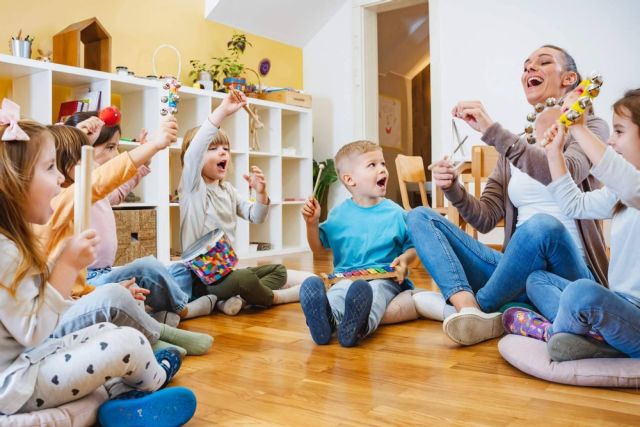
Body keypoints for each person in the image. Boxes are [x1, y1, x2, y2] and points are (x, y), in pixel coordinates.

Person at [0, 104, 195, 425]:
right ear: (15, 183)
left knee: (106, 332)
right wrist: (63, 269)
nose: (61, 177)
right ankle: (150, 382)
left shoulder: (14, 242)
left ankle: (116, 399)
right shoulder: (7, 250)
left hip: (27, 366)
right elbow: (33, 332)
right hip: (16, 383)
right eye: (50, 168)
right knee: (126, 343)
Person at [406, 45, 609, 345]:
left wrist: (491, 130)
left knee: (542, 226)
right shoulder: (513, 147)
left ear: (569, 79)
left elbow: (570, 172)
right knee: (419, 216)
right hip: (514, 271)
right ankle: (468, 308)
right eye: (526, 66)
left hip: (569, 272)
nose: (529, 69)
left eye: (542, 62)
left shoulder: (590, 128)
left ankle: (482, 308)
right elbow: (485, 218)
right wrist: (453, 188)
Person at [37, 117, 213, 356]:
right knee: (116, 297)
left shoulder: (82, 193)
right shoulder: (62, 201)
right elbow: (102, 178)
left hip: (90, 284)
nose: (97, 167)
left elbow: (113, 183)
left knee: (136, 283)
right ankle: (156, 332)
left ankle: (155, 325)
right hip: (71, 302)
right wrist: (153, 145)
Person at [503, 89, 640, 361]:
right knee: (537, 279)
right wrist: (555, 154)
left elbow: (624, 178)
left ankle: (554, 331)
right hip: (618, 308)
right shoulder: (622, 195)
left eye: (620, 131)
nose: (611, 141)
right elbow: (574, 205)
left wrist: (578, 127)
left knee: (581, 292)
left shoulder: (630, 187)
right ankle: (592, 338)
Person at [168, 92, 300, 315]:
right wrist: (222, 112)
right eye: (212, 148)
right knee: (246, 277)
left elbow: (256, 217)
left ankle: (232, 299)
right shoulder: (193, 188)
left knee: (278, 271)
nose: (222, 152)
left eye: (225, 149)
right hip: (201, 277)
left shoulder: (228, 190)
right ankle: (275, 298)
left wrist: (261, 193)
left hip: (225, 271)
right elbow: (192, 155)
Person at [299, 140, 417, 347]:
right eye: (372, 165)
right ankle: (328, 322)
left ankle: (360, 327)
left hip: (386, 278)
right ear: (350, 179)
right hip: (346, 277)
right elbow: (318, 248)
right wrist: (312, 223)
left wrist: (405, 261)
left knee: (376, 292)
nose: (382, 169)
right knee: (338, 292)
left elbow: (412, 246)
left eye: (382, 164)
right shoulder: (337, 215)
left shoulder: (396, 213)